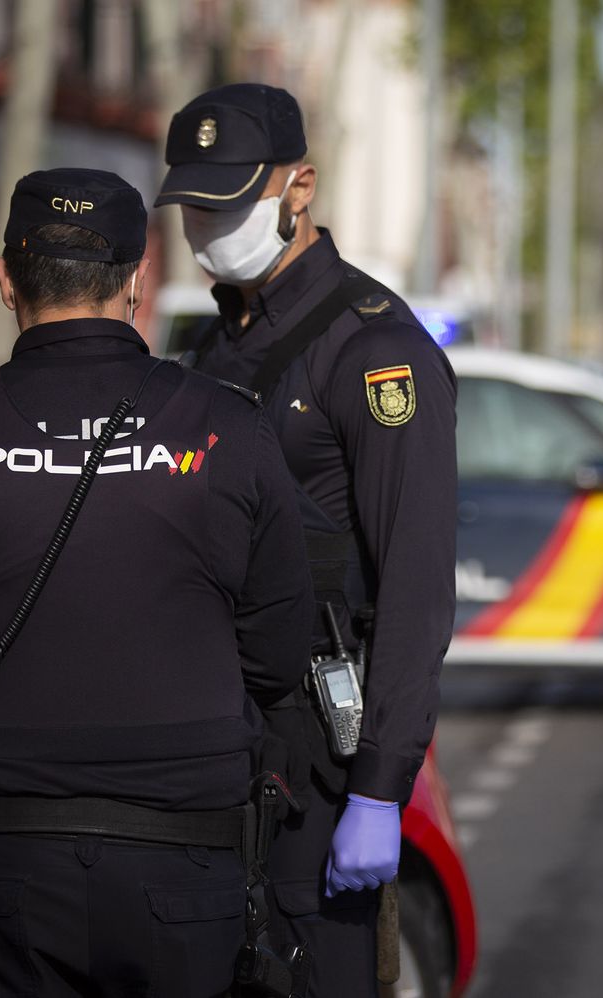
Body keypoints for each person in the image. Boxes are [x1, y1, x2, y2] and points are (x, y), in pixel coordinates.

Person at [0, 168, 314, 996]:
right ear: (137, 282)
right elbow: (276, 655)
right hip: (186, 862)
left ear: (6, 278)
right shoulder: (227, 427)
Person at [156, 83, 457, 995]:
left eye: (230, 202)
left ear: (299, 189)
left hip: (319, 760)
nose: (209, 224)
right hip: (218, 747)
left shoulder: (374, 353)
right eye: (195, 206)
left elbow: (414, 580)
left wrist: (379, 788)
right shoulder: (217, 347)